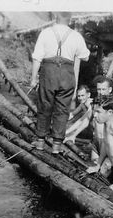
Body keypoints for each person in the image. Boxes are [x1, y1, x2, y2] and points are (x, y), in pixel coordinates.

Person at [30, 12, 90, 154]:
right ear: (70, 19)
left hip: (49, 72)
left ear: (56, 18)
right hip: (67, 74)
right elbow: (85, 56)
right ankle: (56, 146)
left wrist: (33, 78)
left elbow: (37, 58)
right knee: (63, 109)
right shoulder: (76, 36)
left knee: (45, 105)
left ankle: (39, 142)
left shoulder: (45, 33)